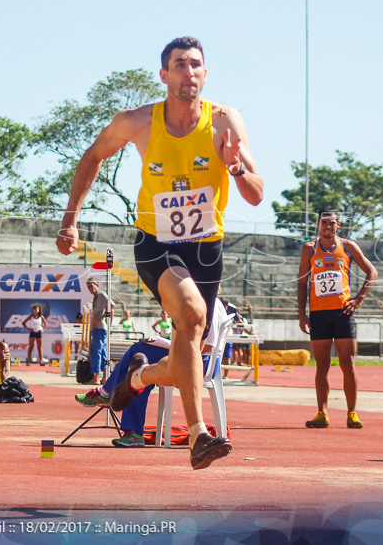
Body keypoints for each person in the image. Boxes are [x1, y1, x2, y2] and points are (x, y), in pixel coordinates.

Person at [56, 37, 263, 470]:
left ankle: (138, 376)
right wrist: (70, 220)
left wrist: (235, 167)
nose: (189, 71)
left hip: (207, 250)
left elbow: (257, 194)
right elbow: (92, 157)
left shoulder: (225, 123)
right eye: (180, 64)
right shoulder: (138, 122)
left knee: (191, 353)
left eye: (196, 65)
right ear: (164, 75)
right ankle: (200, 436)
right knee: (189, 316)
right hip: (157, 245)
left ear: (205, 74)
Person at [75, 296, 231, 448]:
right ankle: (125, 420)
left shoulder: (207, 303)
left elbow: (206, 346)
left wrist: (171, 347)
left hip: (199, 362)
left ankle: (109, 396)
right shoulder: (205, 301)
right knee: (140, 362)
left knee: (138, 354)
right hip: (194, 359)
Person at [297, 208, 378, 430]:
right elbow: (302, 282)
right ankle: (322, 413)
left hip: (343, 313)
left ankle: (352, 412)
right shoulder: (309, 249)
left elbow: (372, 272)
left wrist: (359, 299)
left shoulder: (349, 247)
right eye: (324, 222)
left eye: (332, 222)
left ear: (338, 224)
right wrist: (302, 313)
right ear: (318, 224)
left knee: (347, 363)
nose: (328, 226)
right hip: (319, 313)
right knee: (322, 364)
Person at [85, 277, 110, 385]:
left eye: (92, 286)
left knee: (96, 352)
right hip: (97, 328)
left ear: (97, 285)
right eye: (88, 287)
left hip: (99, 328)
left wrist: (103, 318)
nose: (90, 288)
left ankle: (96, 377)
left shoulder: (101, 295)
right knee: (102, 352)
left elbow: (111, 305)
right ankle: (104, 376)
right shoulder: (96, 297)